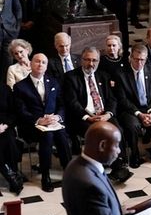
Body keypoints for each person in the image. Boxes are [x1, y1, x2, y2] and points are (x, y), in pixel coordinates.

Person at [62, 121, 151, 215]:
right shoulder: (89, 185)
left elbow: (90, 212)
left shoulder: (76, 165)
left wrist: (116, 212)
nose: (119, 151)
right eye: (116, 145)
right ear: (102, 145)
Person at [62, 46, 131, 182]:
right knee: (99, 134)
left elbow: (112, 98)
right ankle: (116, 167)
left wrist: (108, 115)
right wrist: (88, 117)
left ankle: (121, 163)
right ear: (81, 60)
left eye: (94, 60)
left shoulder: (103, 76)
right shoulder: (71, 77)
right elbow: (72, 102)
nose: (91, 64)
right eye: (87, 60)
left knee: (117, 130)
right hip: (84, 118)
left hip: (103, 114)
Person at [13, 53, 72, 192]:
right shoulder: (20, 87)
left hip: (53, 122)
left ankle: (69, 172)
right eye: (37, 61)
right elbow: (21, 111)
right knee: (47, 136)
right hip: (31, 125)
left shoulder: (53, 82)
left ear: (46, 66)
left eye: (43, 62)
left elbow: (62, 105)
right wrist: (39, 120)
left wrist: (57, 117)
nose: (40, 64)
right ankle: (46, 175)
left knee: (62, 134)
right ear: (30, 64)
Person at [113, 44, 151, 168]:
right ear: (131, 57)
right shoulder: (121, 74)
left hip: (150, 107)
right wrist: (140, 114)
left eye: (142, 60)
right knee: (132, 125)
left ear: (146, 59)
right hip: (131, 109)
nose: (139, 63)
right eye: (136, 59)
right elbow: (123, 100)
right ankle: (134, 154)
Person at [0, 84, 22, 195]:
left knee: (9, 140)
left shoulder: (5, 88)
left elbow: (14, 113)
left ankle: (13, 172)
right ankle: (12, 178)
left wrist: (5, 125)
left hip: (5, 126)